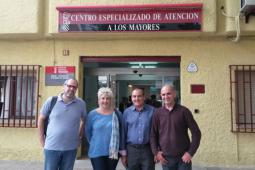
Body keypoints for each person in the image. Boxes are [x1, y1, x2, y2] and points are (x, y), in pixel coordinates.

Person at [38, 78, 86, 170]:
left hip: (71, 148)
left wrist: (80, 136)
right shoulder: (51, 101)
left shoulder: (81, 104)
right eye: (69, 86)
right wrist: (41, 139)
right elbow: (41, 119)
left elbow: (84, 120)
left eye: (74, 87)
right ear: (64, 86)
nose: (71, 89)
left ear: (76, 89)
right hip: (52, 147)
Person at [150, 84, 201, 170]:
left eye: (168, 93)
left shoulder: (184, 111)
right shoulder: (157, 113)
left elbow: (196, 133)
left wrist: (190, 153)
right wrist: (156, 153)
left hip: (183, 158)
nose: (166, 96)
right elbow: (153, 135)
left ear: (174, 94)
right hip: (165, 158)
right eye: (163, 94)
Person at [85, 87, 124, 170]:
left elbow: (122, 132)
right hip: (96, 151)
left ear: (111, 100)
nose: (105, 101)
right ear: (99, 100)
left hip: (112, 152)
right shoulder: (92, 114)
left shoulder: (117, 114)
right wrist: (95, 142)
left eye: (108, 98)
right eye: (103, 98)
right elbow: (88, 132)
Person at [121, 88, 155, 170]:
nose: (136, 99)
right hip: (131, 150)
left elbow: (156, 132)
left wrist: (156, 151)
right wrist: (123, 153)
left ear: (144, 97)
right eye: (134, 96)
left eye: (139, 96)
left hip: (147, 149)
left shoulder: (153, 111)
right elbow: (123, 132)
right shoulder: (127, 112)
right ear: (131, 98)